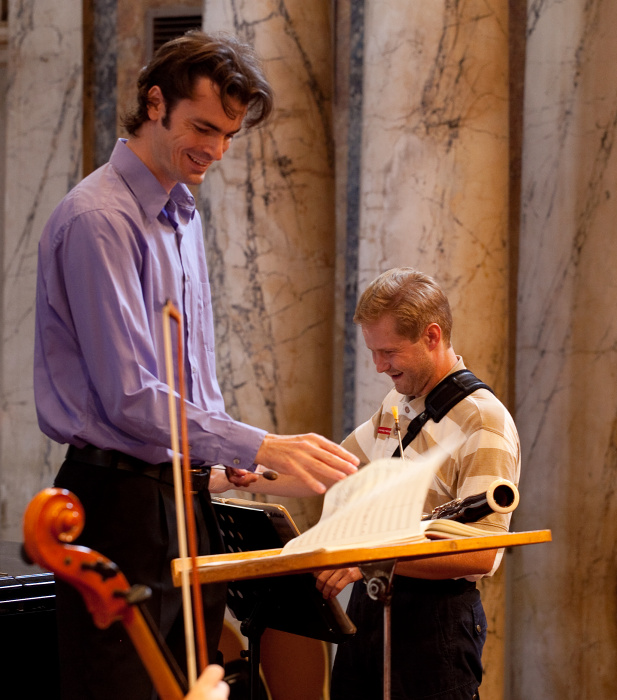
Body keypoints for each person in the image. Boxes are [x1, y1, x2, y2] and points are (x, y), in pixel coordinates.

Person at [33, 30, 358, 700]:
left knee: (195, 686)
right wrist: (259, 442)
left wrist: (224, 459)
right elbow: (130, 397)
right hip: (119, 505)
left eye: (228, 135)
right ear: (155, 104)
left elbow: (188, 378)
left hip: (183, 499)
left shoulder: (183, 213)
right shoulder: (99, 218)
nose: (215, 150)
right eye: (203, 128)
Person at [316, 267, 520, 700]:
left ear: (431, 336)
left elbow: (482, 554)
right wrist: (242, 468)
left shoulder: (484, 420)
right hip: (369, 609)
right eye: (372, 352)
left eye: (388, 352)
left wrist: (371, 559)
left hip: (433, 624)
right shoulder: (400, 400)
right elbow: (336, 465)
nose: (378, 367)